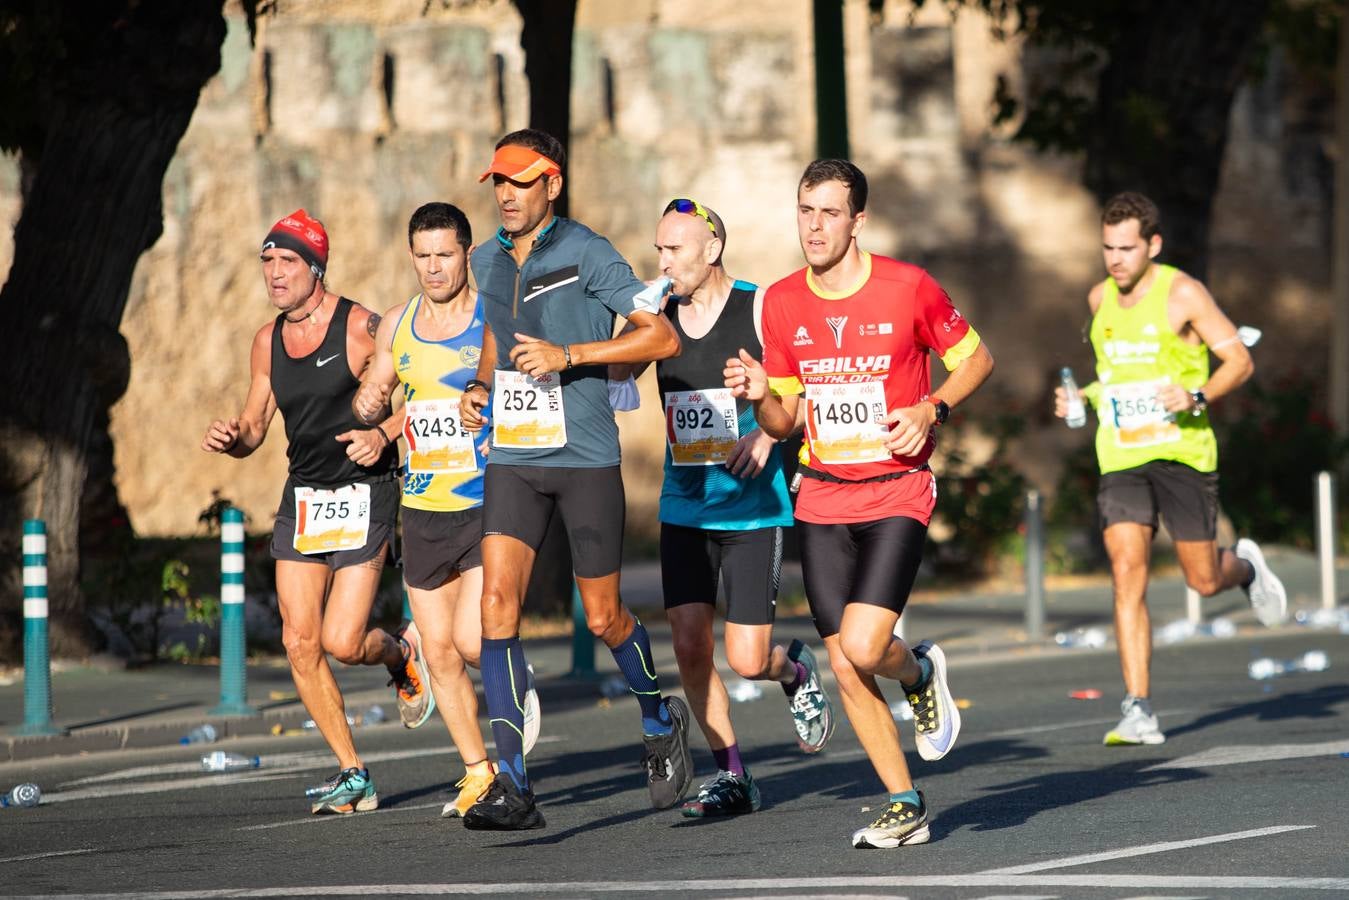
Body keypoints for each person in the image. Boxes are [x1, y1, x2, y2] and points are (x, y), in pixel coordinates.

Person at [724, 159, 994, 849]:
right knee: (843, 661)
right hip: (820, 498)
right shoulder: (782, 301)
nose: (813, 226)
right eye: (804, 210)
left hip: (897, 490)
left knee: (869, 646)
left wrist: (930, 407)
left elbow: (976, 359)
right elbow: (785, 423)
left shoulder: (908, 287)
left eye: (828, 213)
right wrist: (760, 394)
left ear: (857, 221)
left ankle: (919, 669)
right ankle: (904, 801)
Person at [457, 129, 686, 830]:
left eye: (520, 182)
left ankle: (656, 717)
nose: (505, 194)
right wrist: (477, 383)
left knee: (603, 616)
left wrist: (571, 354)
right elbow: (497, 332)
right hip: (515, 461)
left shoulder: (587, 251)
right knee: (496, 606)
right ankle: (513, 786)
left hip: (585, 458)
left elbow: (660, 336)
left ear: (551, 185)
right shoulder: (483, 259)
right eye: (497, 181)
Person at [201, 209, 430, 814]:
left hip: (365, 491)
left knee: (343, 639)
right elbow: (256, 425)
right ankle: (353, 772)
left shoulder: (361, 327)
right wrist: (236, 436)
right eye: (267, 262)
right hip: (304, 498)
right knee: (300, 642)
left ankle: (403, 655)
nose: (274, 274)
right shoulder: (266, 341)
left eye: (286, 262)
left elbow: (425, 392)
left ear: (316, 268)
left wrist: (383, 436)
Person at [614, 198, 834, 818]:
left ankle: (791, 670)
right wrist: (631, 322)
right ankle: (732, 772)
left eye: (674, 249)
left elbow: (809, 382)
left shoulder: (759, 307)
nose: (663, 260)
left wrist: (768, 434)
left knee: (745, 658)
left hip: (752, 511)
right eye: (658, 248)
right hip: (685, 504)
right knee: (688, 646)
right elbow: (617, 387)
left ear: (710, 251)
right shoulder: (658, 319)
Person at [1054, 191, 1287, 747]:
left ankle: (1245, 569)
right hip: (1123, 456)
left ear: (1152, 245)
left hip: (1183, 453)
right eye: (1108, 248)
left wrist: (1197, 396)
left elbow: (1240, 360)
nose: (1116, 260)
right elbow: (1110, 378)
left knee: (1202, 580)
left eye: (1127, 248)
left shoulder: (1183, 292)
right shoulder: (1098, 298)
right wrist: (1081, 400)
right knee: (1126, 572)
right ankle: (1139, 708)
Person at [351, 201, 540, 819]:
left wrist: (490, 406)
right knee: (436, 653)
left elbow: (527, 387)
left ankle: (514, 671)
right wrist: (368, 406)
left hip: (488, 497)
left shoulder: (492, 315)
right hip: (422, 504)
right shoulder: (398, 324)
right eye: (423, 256)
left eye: (445, 255)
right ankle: (478, 772)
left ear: (466, 254)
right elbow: (376, 394)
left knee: (470, 634)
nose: (434, 268)